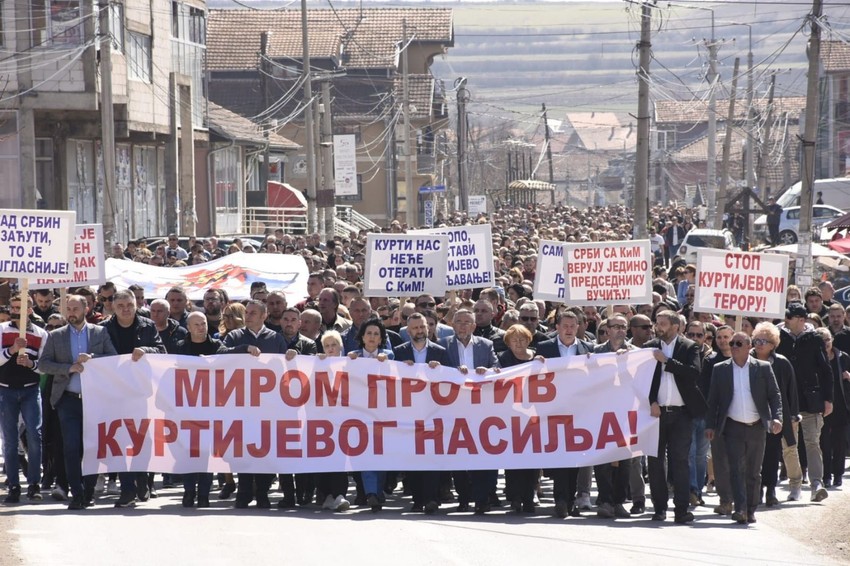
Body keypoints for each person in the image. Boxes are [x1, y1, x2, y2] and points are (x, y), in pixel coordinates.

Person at [39, 294, 118, 510]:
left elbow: (113, 358)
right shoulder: (56, 336)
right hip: (68, 400)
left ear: (86, 309)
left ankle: (89, 491)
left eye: (75, 308)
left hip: (94, 400)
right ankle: (76, 492)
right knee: (71, 447)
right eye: (68, 308)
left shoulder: (100, 332)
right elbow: (43, 364)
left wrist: (93, 358)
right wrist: (68, 368)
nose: (71, 312)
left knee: (91, 447)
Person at [705, 332, 783, 524]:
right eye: (732, 343)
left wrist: (777, 418)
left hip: (757, 426)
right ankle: (740, 508)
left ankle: (751, 508)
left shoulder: (763, 368)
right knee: (736, 469)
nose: (733, 346)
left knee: (753, 472)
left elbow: (774, 395)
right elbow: (713, 399)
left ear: (750, 346)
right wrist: (710, 425)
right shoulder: (720, 369)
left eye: (738, 343)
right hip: (732, 427)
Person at [174, 312, 249, 507]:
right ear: (188, 328)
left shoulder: (216, 346)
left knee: (206, 453)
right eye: (196, 324)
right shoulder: (180, 349)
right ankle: (189, 491)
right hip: (187, 410)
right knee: (189, 453)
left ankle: (204, 495)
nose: (201, 327)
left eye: (204, 323)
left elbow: (229, 354)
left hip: (211, 410)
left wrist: (246, 348)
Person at [101, 289, 166, 507]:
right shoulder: (105, 329)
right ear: (113, 307)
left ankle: (143, 477)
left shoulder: (147, 326)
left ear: (136, 305)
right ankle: (127, 488)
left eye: (129, 305)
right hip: (116, 392)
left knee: (143, 438)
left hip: (142, 392)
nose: (126, 309)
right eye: (120, 306)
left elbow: (161, 351)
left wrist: (146, 350)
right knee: (120, 439)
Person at [644, 310, 706, 524]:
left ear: (675, 327)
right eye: (657, 323)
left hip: (682, 414)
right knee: (655, 461)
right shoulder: (648, 348)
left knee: (680, 462)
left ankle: (681, 509)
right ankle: (659, 507)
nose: (658, 327)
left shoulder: (689, 347)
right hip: (656, 414)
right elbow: (641, 380)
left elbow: (694, 372)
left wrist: (667, 362)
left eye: (662, 323)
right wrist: (651, 401)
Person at [223, 300, 285, 508]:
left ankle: (263, 492)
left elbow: (285, 367)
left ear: (264, 315)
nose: (247, 316)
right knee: (243, 448)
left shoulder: (275, 338)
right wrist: (243, 349)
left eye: (253, 313)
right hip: (240, 403)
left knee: (265, 450)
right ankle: (244, 490)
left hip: (268, 405)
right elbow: (220, 356)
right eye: (247, 312)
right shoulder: (235, 336)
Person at [535, 309, 594, 518]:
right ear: (557, 327)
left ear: (578, 327)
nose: (569, 330)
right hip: (554, 411)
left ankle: (570, 501)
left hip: (579, 412)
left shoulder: (589, 349)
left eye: (573, 326)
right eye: (565, 326)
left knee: (576, 458)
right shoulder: (544, 349)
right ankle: (561, 499)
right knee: (560, 456)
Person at [439, 308, 499, 514]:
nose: (463, 325)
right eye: (459, 321)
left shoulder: (487, 345)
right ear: (452, 324)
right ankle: (464, 498)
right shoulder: (442, 345)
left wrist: (488, 371)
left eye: (467, 322)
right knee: (460, 455)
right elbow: (435, 372)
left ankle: (482, 499)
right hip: (453, 408)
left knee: (483, 454)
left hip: (481, 409)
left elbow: (497, 369)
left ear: (474, 326)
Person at [776, 302, 834, 503]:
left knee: (812, 442)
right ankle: (794, 485)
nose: (786, 320)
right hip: (787, 401)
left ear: (801, 320)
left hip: (811, 401)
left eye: (790, 317)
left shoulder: (814, 339)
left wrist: (828, 399)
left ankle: (816, 484)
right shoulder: (779, 337)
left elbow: (826, 371)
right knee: (790, 446)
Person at [393, 312, 449, 514]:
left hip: (434, 412)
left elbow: (451, 380)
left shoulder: (441, 352)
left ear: (429, 328)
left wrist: (440, 370)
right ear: (408, 331)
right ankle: (417, 499)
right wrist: (400, 370)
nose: (419, 331)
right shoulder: (399, 353)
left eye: (422, 327)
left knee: (431, 457)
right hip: (408, 414)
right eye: (415, 328)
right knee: (413, 458)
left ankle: (432, 498)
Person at [0, 293, 50, 503]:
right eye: (13, 307)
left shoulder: (41, 334)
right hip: (5, 390)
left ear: (30, 310)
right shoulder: (1, 331)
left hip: (30, 390)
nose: (15, 311)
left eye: (20, 308)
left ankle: (34, 483)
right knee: (10, 441)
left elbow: (45, 366)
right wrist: (11, 350)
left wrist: (31, 364)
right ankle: (13, 484)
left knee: (34, 437)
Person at [347, 319, 395, 512]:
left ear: (382, 338)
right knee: (366, 453)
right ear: (362, 337)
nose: (372, 337)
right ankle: (371, 493)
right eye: (369, 333)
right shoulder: (352, 357)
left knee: (380, 454)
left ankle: (378, 490)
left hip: (383, 412)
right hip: (359, 412)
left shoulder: (389, 355)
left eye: (376, 334)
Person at [751, 322, 800, 507]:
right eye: (757, 340)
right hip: (752, 415)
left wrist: (793, 415)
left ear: (773, 344)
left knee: (772, 453)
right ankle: (756, 490)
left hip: (775, 417)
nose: (760, 344)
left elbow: (791, 391)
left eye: (765, 341)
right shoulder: (747, 360)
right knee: (755, 455)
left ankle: (770, 489)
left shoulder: (782, 363)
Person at [591, 314, 635, 519]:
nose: (619, 330)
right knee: (603, 459)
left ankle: (619, 501)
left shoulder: (635, 353)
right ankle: (605, 500)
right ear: (607, 330)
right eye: (615, 326)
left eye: (623, 326)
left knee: (624, 460)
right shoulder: (595, 352)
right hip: (601, 411)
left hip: (627, 413)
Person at [498, 324, 538, 513]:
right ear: (508, 342)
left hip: (533, 416)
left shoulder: (538, 358)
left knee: (531, 460)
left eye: (522, 339)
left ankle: (529, 498)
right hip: (511, 417)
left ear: (529, 340)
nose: (519, 343)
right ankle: (514, 498)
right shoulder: (503, 359)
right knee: (513, 460)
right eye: (514, 339)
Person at [815, 327, 850, 488]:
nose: (825, 343)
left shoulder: (843, 357)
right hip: (822, 405)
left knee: (839, 442)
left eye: (827, 340)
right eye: (822, 341)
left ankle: (838, 475)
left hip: (841, 404)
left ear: (832, 340)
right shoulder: (814, 358)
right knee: (824, 442)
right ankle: (826, 474)